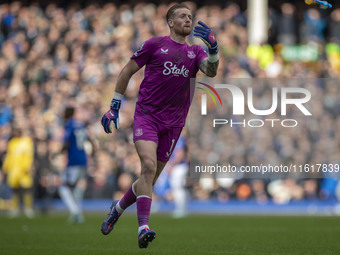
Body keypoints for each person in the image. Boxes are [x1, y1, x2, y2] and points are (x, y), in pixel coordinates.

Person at [100, 3, 219, 249]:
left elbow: (211, 70)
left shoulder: (196, 52)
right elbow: (126, 71)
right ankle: (143, 228)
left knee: (149, 180)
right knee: (148, 166)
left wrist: (214, 49)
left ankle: (118, 208)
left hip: (174, 124)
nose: (188, 19)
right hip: (147, 117)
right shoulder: (154, 44)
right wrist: (114, 106)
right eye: (182, 16)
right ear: (170, 22)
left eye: (190, 16)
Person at [58, 105, 95, 224]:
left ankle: (75, 211)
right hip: (83, 159)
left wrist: (57, 153)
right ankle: (79, 215)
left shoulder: (69, 125)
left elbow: (66, 142)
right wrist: (92, 155)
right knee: (77, 188)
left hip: (73, 160)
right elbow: (91, 141)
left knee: (64, 187)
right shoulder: (82, 125)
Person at [2, 127, 35, 218]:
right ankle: (14, 208)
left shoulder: (27, 142)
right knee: (14, 189)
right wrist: (5, 167)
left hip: (24, 169)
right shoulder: (12, 142)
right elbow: (9, 155)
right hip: (14, 169)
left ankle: (28, 208)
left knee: (27, 188)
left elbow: (30, 155)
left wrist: (28, 166)